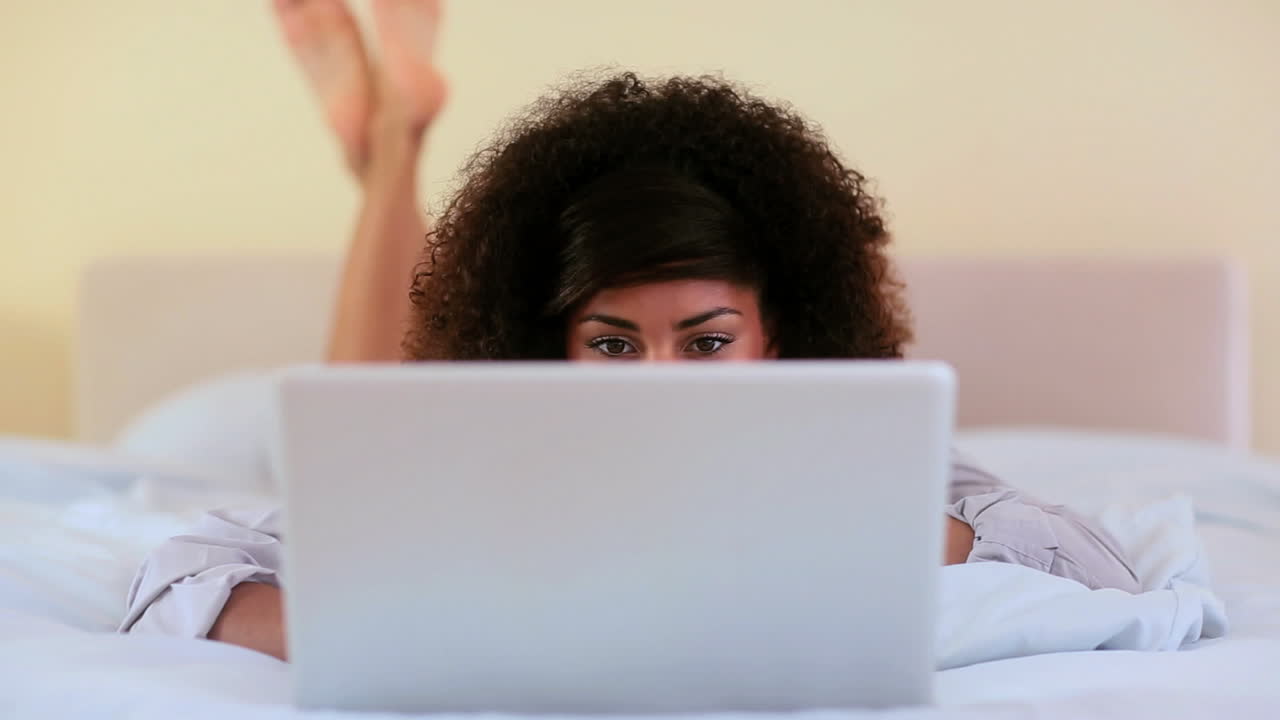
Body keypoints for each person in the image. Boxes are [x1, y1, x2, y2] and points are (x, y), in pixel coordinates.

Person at [119, 0, 1140, 661]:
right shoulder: (485, 454)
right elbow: (179, 574)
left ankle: (389, 143)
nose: (661, 377)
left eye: (705, 341)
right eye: (611, 342)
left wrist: (850, 520)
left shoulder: (858, 454)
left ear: (776, 337)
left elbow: (1104, 571)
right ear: (554, 341)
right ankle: (391, 145)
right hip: (444, 470)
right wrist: (403, 633)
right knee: (353, 408)